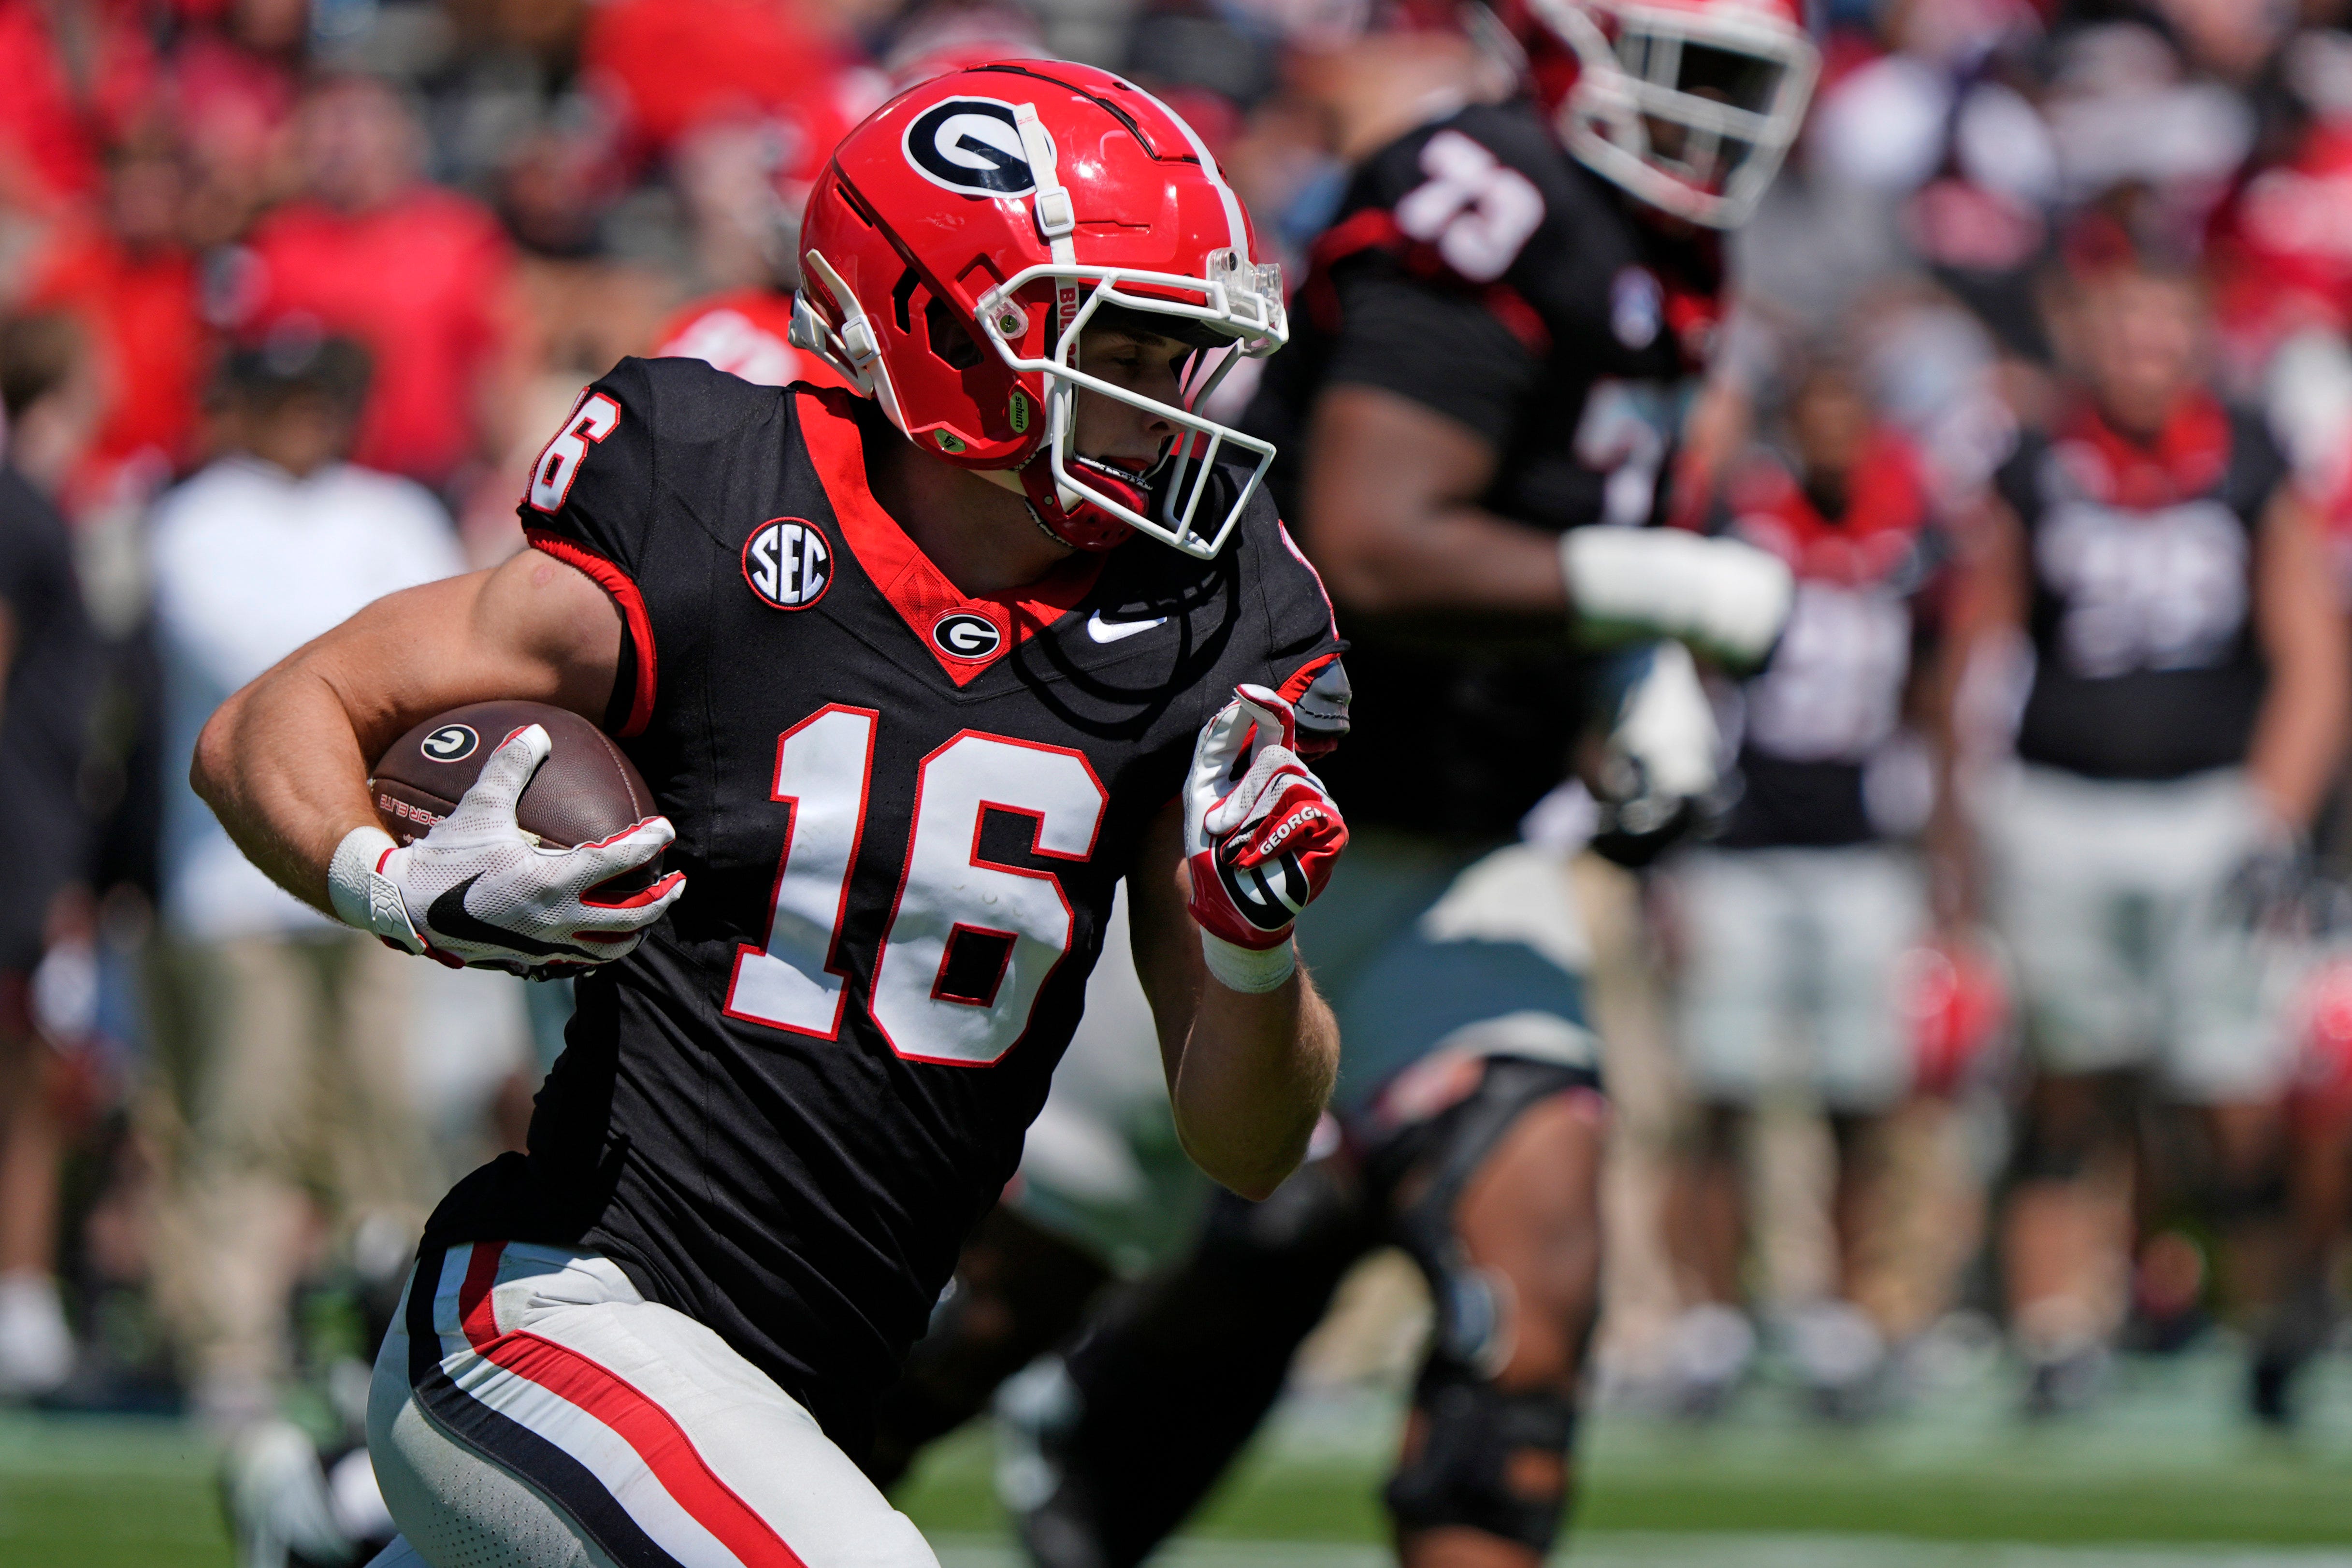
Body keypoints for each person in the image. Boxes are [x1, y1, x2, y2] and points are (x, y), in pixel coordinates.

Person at [192, 62, 1351, 1567]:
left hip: (796, 1391)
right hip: (549, 1306)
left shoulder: (1215, 609)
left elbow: (1247, 1144)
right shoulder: (715, 489)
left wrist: (1254, 951)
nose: (1164, 389)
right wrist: (394, 884)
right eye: (1117, 334)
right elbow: (270, 722)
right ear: (939, 323)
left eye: (1183, 341)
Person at [1008, 3, 1815, 1564]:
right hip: (1246, 829)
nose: (1710, 122)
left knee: (1536, 1271)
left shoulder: (1662, 251)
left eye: (1738, 87)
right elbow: (1372, 535)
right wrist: (1663, 589)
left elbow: (1572, 514)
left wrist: (1630, 693)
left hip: (1459, 849)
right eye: (1688, 72)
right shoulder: (1480, 193)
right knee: (977, 1305)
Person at [1950, 254, 2349, 1414]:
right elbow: (1984, 638)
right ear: (2087, 338)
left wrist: (2270, 811)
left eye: (2164, 329)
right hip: (2059, 803)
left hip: (2205, 808)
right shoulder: (2035, 460)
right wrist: (1973, 803)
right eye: (2123, 329)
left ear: (2199, 341)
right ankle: (2051, 1334)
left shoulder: (2251, 457)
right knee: (2067, 1081)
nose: (2143, 353)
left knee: (2233, 1094)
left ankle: (2269, 1321)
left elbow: (2310, 653)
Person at [146, 330, 465, 1436]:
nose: (303, 419)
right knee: (244, 1114)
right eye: (282, 399)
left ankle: (393, 1327)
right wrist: (366, 672)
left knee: (387, 1112)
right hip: (237, 872)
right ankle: (229, 1337)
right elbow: (253, 656)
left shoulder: (390, 511)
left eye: (319, 398)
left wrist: (354, 676)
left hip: (390, 867)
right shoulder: (199, 516)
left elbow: (436, 666)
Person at [1658, 357, 1947, 1417]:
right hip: (1741, 837)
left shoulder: (1915, 535)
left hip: (1862, 842)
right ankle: (1709, 1317)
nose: (1832, 434)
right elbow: (1690, 667)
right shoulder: (1741, 526)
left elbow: (1938, 688)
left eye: (1848, 413)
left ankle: (1841, 1313)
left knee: (1859, 1096)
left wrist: (1946, 847)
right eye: (1815, 412)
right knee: (1722, 1086)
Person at [0, 312, 101, 1399]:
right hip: (16, 832)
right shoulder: (18, 507)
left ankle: (22, 1291)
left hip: (33, 824)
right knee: (24, 1067)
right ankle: (19, 1290)